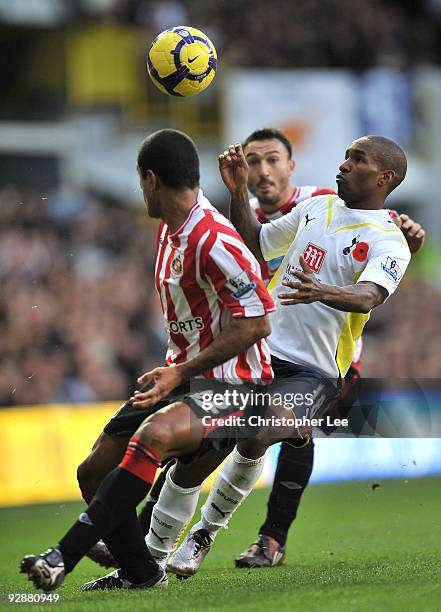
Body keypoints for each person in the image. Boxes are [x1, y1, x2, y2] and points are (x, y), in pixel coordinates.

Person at [135, 129, 424, 576]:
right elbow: (254, 240)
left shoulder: (390, 239)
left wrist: (321, 290)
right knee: (200, 449)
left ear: (385, 177)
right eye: (346, 155)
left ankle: (205, 533)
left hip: (316, 369)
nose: (344, 163)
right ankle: (145, 557)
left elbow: (369, 296)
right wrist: (235, 193)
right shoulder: (315, 207)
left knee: (257, 434)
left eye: (358, 159)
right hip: (262, 351)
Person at [19, 128, 276, 592]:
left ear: (151, 180)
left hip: (235, 387)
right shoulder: (170, 230)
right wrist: (178, 369)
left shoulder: (212, 239)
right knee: (92, 471)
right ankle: (140, 574)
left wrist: (183, 369)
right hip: (180, 377)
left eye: (140, 182)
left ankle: (62, 556)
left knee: (152, 437)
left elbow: (257, 324)